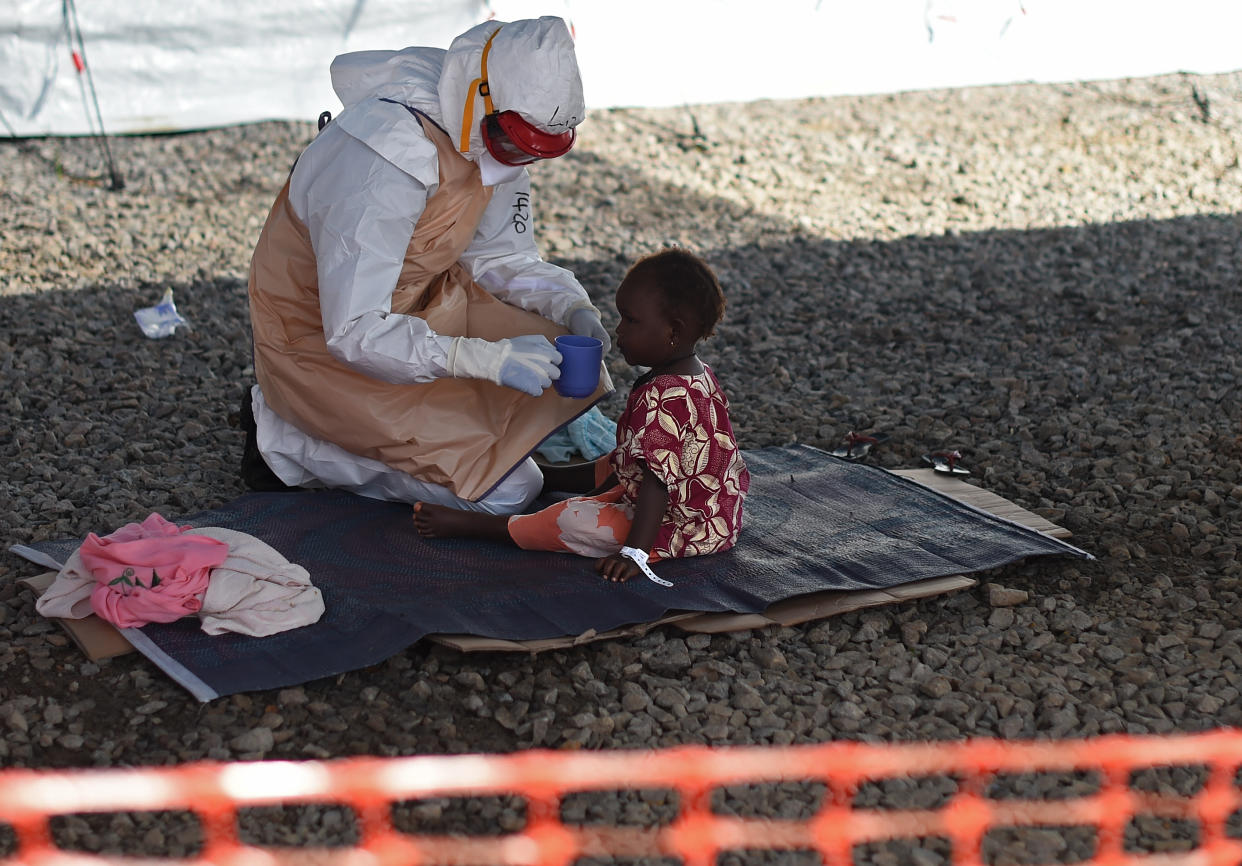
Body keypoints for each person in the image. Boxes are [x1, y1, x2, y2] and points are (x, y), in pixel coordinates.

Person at [242, 16, 612, 516]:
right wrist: (485, 360)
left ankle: (442, 437)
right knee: (510, 491)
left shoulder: (491, 133)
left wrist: (573, 307)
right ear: (481, 102)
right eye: (513, 145)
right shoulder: (384, 158)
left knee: (555, 345)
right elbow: (353, 330)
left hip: (420, 306)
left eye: (532, 153)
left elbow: (501, 258)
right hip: (320, 344)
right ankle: (285, 439)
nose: (517, 162)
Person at [413, 248, 750, 583]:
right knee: (621, 460)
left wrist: (635, 555)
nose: (619, 330)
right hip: (719, 514)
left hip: (683, 526)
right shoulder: (698, 374)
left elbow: (656, 484)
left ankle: (474, 525)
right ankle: (549, 478)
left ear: (672, 332)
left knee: (572, 519)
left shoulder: (660, 396)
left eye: (630, 320)